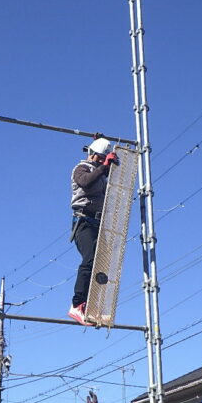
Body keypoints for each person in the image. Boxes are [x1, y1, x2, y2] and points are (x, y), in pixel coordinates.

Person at [69, 136, 119, 325]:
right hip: (83, 222)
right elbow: (86, 182)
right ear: (91, 154)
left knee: (101, 265)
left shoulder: (103, 176)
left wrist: (112, 167)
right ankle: (76, 304)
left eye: (102, 159)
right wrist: (103, 167)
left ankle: (91, 303)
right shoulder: (81, 169)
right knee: (89, 259)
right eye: (98, 158)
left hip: (98, 223)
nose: (100, 162)